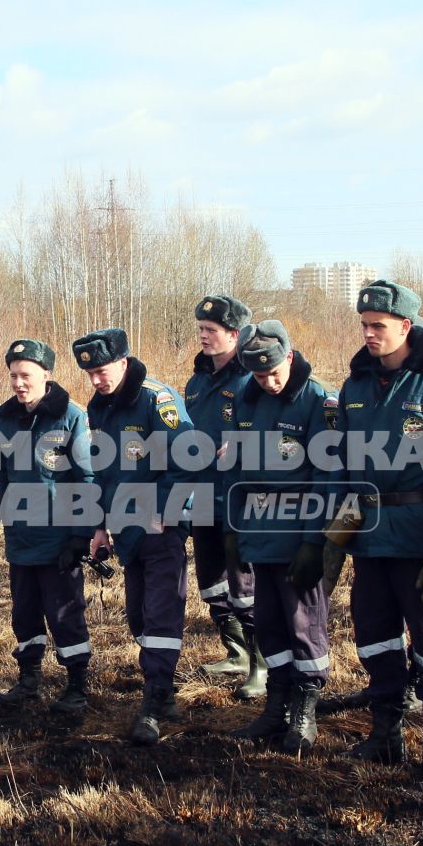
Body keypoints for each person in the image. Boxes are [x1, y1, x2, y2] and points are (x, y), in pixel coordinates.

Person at [326, 281, 423, 776]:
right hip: (371, 535)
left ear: (406, 327)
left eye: (379, 327)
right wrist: (337, 539)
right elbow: (346, 471)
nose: (369, 335)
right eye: (364, 326)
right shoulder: (354, 386)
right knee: (373, 635)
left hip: (419, 533)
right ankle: (386, 731)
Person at [75, 327, 196, 745]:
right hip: (125, 532)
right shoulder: (99, 407)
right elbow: (102, 471)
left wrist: (165, 511)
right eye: (89, 373)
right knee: (139, 619)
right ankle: (164, 692)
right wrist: (98, 526)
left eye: (102, 371)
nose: (96, 380)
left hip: (161, 530)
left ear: (124, 362)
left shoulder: (156, 399)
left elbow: (188, 459)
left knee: (162, 616)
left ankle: (153, 701)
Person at [223, 322, 334, 752]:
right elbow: (234, 470)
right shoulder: (246, 401)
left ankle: (304, 712)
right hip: (259, 532)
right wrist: (233, 529)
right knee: (269, 625)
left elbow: (329, 477)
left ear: (289, 356)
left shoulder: (319, 402)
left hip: (299, 530)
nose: (268, 383)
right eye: (258, 375)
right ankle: (276, 708)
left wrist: (314, 542)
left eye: (273, 372)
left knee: (304, 626)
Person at [0, 339, 96, 713]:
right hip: (21, 538)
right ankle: (29, 681)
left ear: (46, 374)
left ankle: (77, 685)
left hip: (60, 541)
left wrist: (82, 534)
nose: (18, 383)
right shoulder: (5, 421)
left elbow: (87, 479)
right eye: (13, 375)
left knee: (64, 613)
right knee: (24, 612)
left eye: (25, 375)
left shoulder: (71, 418)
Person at [183, 295, 261, 697]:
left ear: (234, 334)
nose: (203, 337)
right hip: (202, 499)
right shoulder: (196, 383)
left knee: (243, 585)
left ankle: (260, 662)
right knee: (211, 583)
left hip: (238, 500)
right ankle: (235, 653)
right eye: (200, 329)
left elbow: (271, 428)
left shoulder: (250, 378)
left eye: (211, 331)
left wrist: (244, 445)